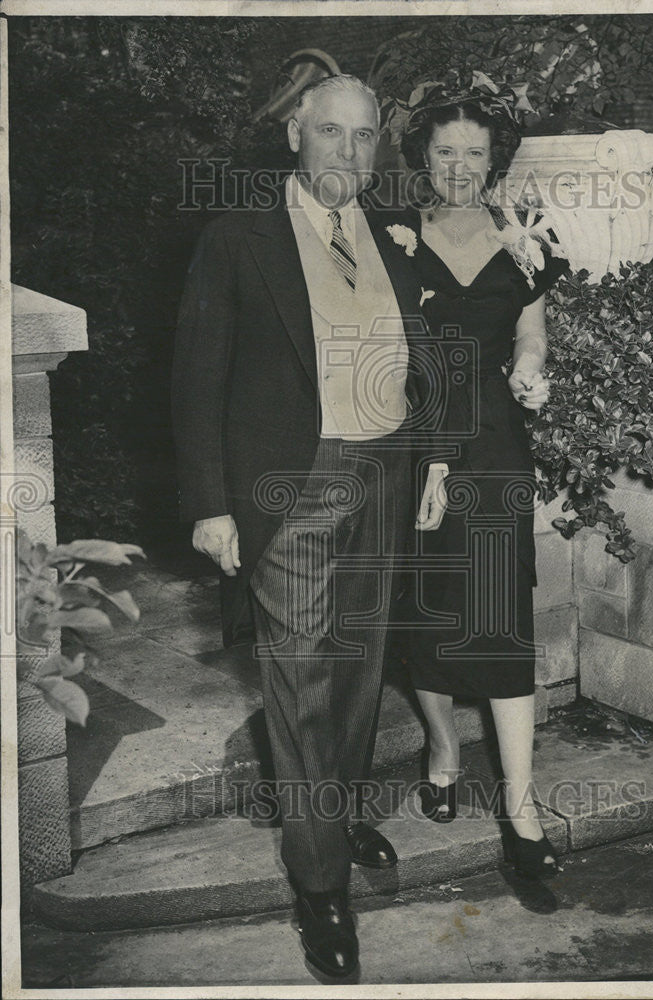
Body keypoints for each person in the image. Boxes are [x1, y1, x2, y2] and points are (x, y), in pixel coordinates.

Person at [172, 74, 447, 978]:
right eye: (330, 133)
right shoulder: (236, 238)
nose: (348, 153)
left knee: (362, 659)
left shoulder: (393, 239)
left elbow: (426, 355)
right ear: (295, 133)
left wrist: (432, 458)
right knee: (301, 673)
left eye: (365, 137)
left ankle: (336, 809)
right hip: (290, 482)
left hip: (385, 468)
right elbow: (197, 375)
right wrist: (211, 503)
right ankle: (318, 882)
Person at [398, 87, 570, 912]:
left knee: (500, 614)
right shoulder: (390, 240)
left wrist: (530, 374)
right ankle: (441, 755)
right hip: (414, 445)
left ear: (491, 158)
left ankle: (520, 806)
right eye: (444, 153)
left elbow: (530, 331)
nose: (460, 167)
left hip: (495, 448)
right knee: (426, 613)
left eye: (473, 152)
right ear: (422, 160)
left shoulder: (523, 240)